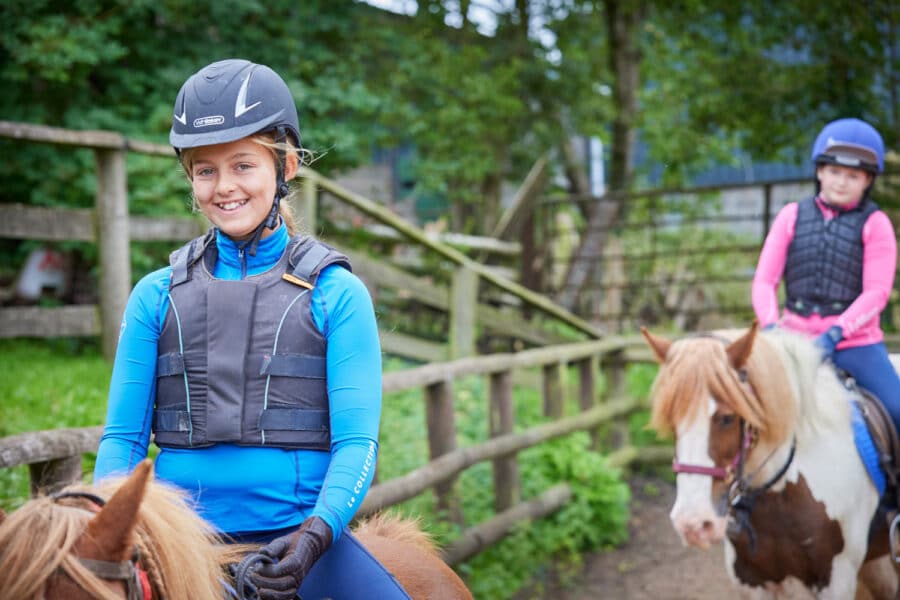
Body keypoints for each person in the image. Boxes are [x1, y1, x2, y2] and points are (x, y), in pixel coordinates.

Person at [94, 58, 411, 600]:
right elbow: (123, 441)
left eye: (244, 165)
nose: (224, 187)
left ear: (285, 166)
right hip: (178, 544)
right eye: (205, 170)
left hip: (304, 543)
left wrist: (315, 536)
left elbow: (358, 443)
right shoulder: (155, 296)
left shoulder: (336, 294)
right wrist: (105, 530)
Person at [752, 117, 900, 434]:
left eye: (853, 175)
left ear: (867, 181)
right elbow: (764, 281)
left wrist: (835, 334)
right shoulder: (791, 216)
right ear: (820, 171)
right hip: (791, 340)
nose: (841, 182)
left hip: (854, 345)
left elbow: (877, 293)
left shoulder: (876, 224)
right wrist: (770, 327)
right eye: (834, 171)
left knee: (897, 410)